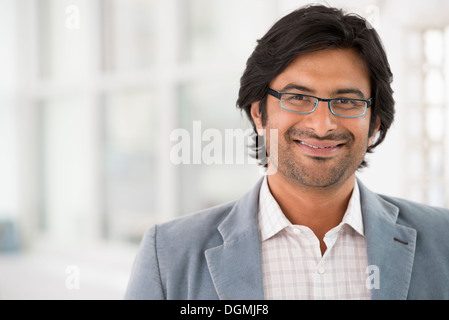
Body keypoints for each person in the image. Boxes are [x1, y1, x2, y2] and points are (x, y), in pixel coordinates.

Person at [125, 4, 449, 300]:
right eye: (297, 97)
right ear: (258, 112)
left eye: (347, 101)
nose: (322, 125)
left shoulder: (442, 240)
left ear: (375, 121)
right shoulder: (169, 254)